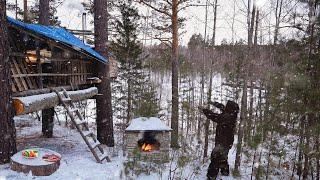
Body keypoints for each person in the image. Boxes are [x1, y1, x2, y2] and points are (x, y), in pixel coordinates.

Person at [201, 100, 239, 180]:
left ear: (229, 108)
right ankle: (225, 172)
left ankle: (211, 176)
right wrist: (214, 103)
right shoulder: (232, 114)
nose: (225, 107)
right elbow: (222, 107)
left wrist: (204, 110)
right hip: (227, 142)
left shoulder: (226, 117)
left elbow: (214, 116)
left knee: (215, 158)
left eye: (227, 106)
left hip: (223, 142)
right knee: (223, 157)